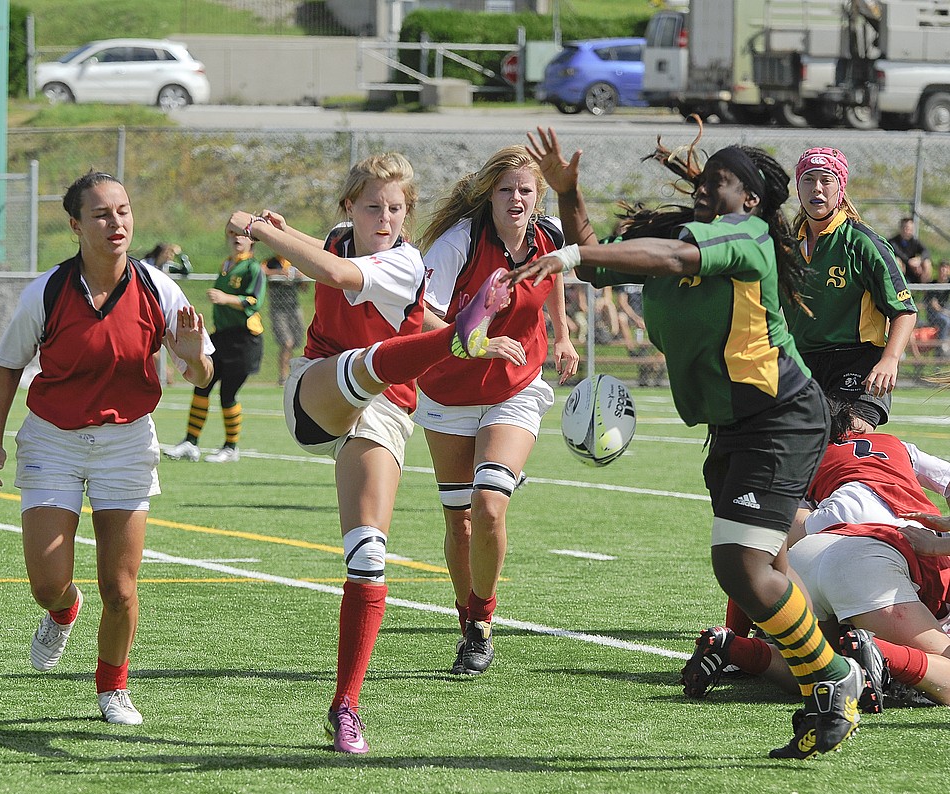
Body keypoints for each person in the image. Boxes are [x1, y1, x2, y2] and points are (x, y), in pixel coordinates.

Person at [516, 126, 868, 760]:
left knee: (738, 565)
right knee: (766, 563)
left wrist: (567, 259)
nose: (706, 185)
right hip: (733, 425)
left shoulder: (749, 238)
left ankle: (836, 678)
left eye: (722, 180)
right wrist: (569, 197)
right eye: (703, 178)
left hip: (781, 416)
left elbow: (670, 262)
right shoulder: (674, 240)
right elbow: (596, 258)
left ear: (752, 201)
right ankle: (824, 669)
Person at [225, 152, 522, 754]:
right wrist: (278, 228)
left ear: (407, 216)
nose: (384, 217)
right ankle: (455, 338)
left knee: (367, 553)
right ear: (348, 210)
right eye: (372, 206)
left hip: (386, 410)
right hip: (316, 390)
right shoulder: (338, 240)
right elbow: (334, 261)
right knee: (359, 366)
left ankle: (345, 707)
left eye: (395, 208)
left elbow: (338, 277)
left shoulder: (406, 263)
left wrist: (261, 230)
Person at [0, 170, 214, 725]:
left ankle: (112, 689)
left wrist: (190, 354)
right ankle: (63, 612)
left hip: (127, 443)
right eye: (103, 213)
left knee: (122, 586)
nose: (117, 223)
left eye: (124, 211)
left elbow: (201, 375)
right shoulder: (48, 290)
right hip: (52, 440)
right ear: (76, 224)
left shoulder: (161, 289)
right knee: (48, 582)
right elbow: (9, 364)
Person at [415, 145, 580, 675]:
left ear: (538, 197)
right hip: (447, 390)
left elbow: (551, 281)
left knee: (489, 505)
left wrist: (562, 333)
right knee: (460, 523)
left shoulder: (549, 236)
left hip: (516, 385)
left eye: (525, 190)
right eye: (506, 189)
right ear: (490, 194)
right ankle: (467, 620)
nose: (516, 199)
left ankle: (482, 625)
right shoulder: (457, 242)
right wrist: (477, 343)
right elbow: (420, 318)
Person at [684, 403, 950, 708]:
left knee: (818, 665)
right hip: (875, 552)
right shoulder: (893, 445)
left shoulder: (800, 460)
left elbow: (759, 550)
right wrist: (940, 542)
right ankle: (879, 652)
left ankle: (735, 647)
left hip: (813, 551)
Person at [786, 148, 917, 431]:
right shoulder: (785, 249)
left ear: (841, 187)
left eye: (826, 180)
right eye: (808, 179)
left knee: (846, 436)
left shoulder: (862, 242)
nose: (816, 188)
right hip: (803, 363)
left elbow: (905, 311)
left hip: (856, 362)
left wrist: (890, 360)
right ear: (798, 187)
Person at [164, 229, 267, 464]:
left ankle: (231, 447)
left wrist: (225, 298)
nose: (237, 238)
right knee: (202, 385)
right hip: (222, 336)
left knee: (228, 393)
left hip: (245, 339)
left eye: (243, 235)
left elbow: (254, 301)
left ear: (253, 241)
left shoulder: (253, 268)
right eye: (232, 234)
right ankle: (190, 443)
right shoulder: (227, 264)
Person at [262, 254, 306, 385]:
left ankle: (295, 373)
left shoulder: (294, 261)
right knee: (287, 342)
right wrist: (279, 273)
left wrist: (300, 277)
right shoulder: (271, 262)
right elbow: (261, 271)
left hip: (294, 308)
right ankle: (283, 376)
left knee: (297, 342)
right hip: (278, 309)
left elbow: (304, 288)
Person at [890, 216, 933, 284]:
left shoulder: (914, 241)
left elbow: (926, 251)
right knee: (897, 262)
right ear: (901, 228)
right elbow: (898, 253)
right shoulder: (893, 242)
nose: (908, 231)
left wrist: (919, 260)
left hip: (915, 269)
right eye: (906, 228)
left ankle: (925, 291)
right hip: (903, 268)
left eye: (911, 229)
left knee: (927, 263)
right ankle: (899, 289)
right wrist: (909, 262)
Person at [923, 259, 950, 350]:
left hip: (945, 311)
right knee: (945, 321)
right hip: (934, 314)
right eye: (942, 269)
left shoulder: (948, 284)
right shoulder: (932, 285)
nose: (943, 272)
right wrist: (946, 313)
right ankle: (940, 349)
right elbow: (934, 305)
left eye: (946, 269)